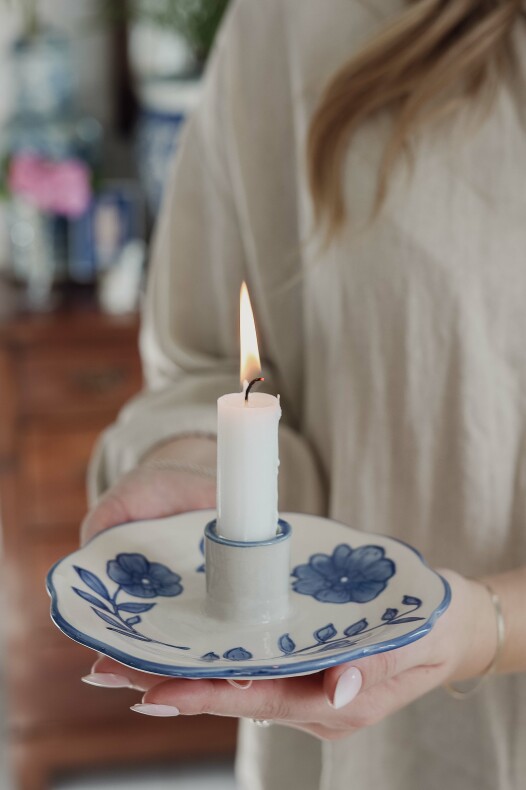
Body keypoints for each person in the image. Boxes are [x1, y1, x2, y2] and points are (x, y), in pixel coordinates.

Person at [80, 0, 526, 788]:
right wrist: (196, 464)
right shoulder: (288, 25)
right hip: (371, 743)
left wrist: (486, 626)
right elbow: (208, 362)